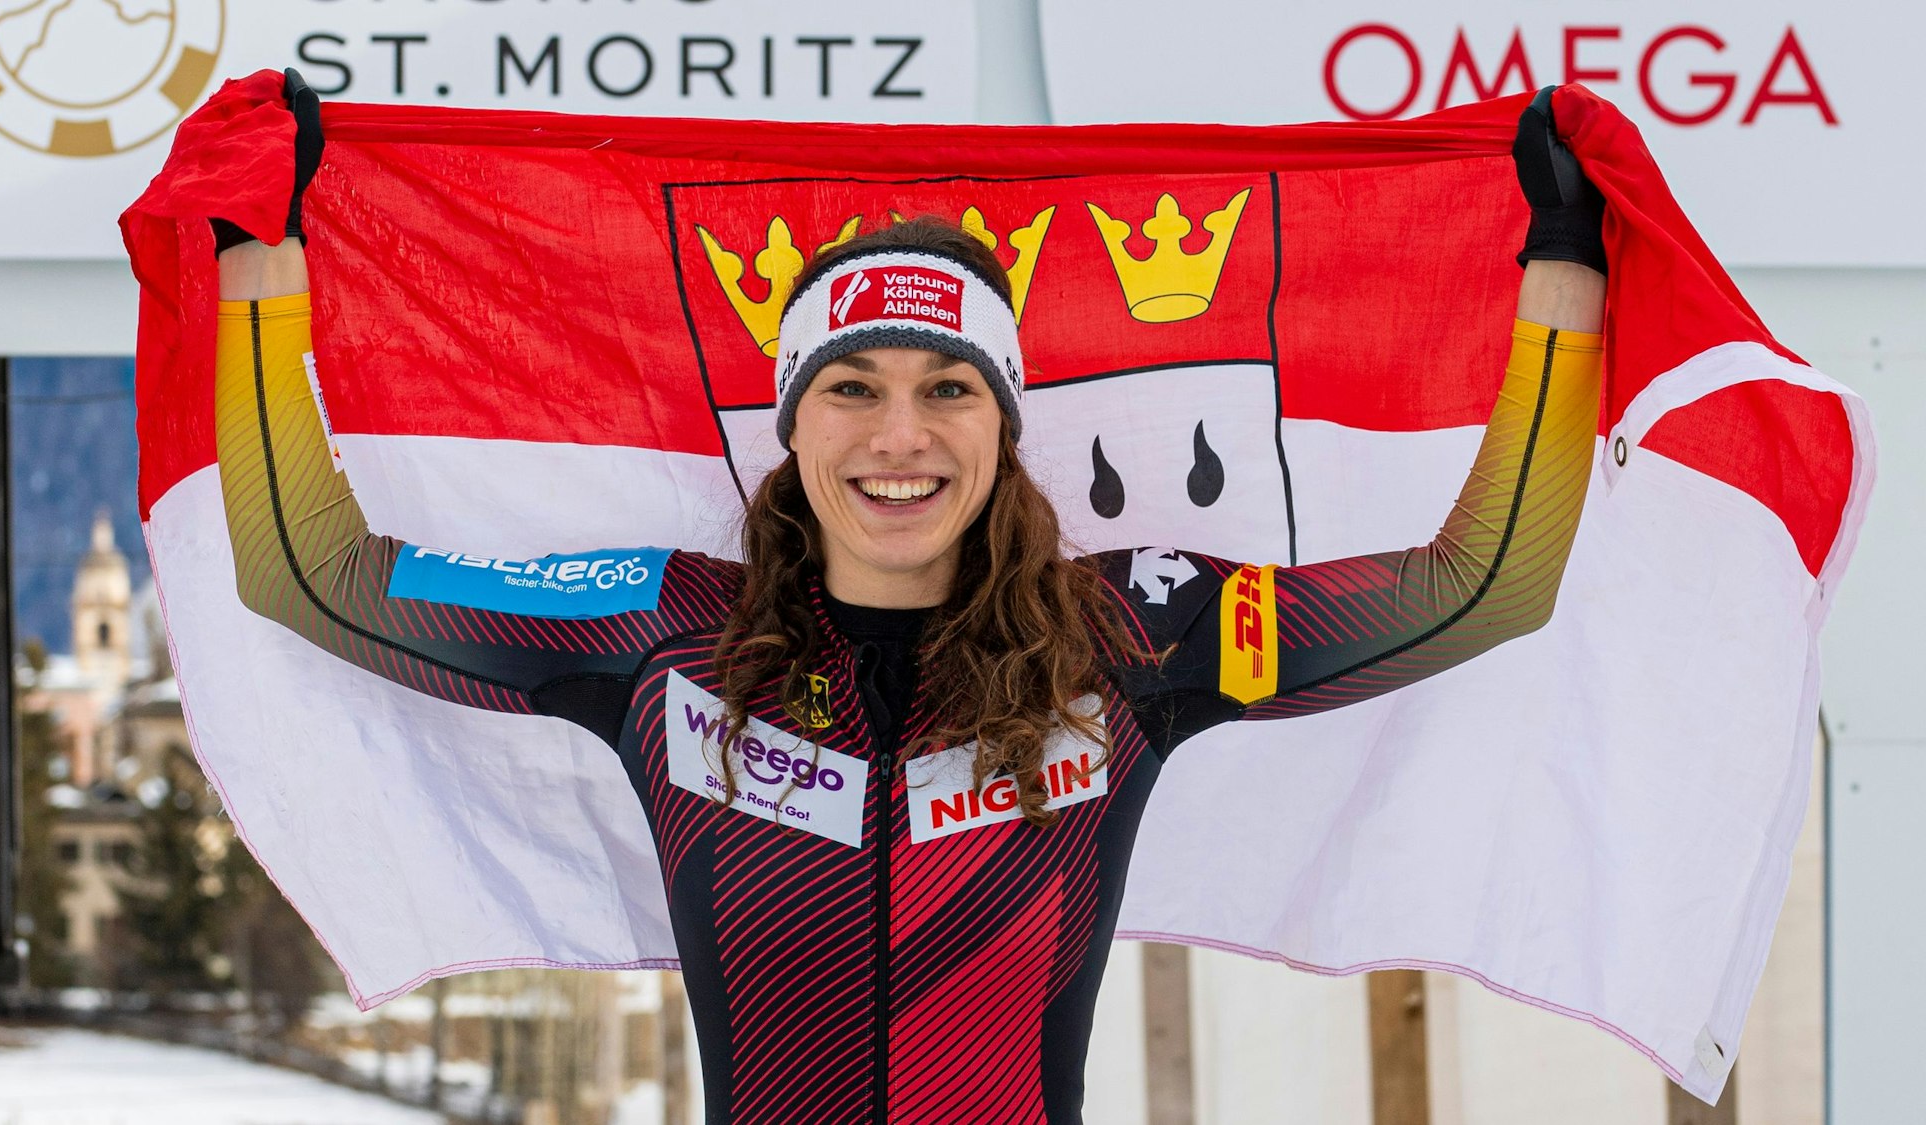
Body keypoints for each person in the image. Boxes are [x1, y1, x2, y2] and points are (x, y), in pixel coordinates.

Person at [214, 72, 1607, 1125]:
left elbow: (1477, 588)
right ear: (792, 426)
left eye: (949, 389)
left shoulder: (1128, 635)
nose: (902, 436)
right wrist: (255, 261)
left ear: (1001, 427)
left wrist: (1563, 269)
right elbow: (313, 572)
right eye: (852, 389)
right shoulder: (659, 633)